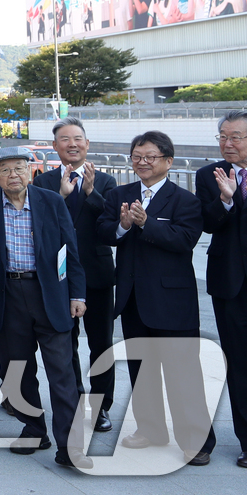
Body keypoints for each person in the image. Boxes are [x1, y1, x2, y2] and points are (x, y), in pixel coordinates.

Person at [98, 130, 216, 466]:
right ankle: (150, 429)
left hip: (171, 302)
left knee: (183, 373)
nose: (143, 162)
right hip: (133, 298)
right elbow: (103, 231)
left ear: (168, 160)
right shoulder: (120, 193)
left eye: (150, 157)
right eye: (137, 156)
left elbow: (184, 240)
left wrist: (147, 223)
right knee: (141, 369)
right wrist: (121, 226)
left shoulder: (186, 200)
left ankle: (197, 441)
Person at [0, 147, 89, 468]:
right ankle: (34, 428)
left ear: (30, 172)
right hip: (8, 293)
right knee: (17, 370)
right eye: (5, 170)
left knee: (61, 373)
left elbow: (70, 250)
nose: (13, 175)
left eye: (19, 168)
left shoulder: (50, 202)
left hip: (49, 292)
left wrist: (77, 294)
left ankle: (70, 445)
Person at [29, 119, 116, 434]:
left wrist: (91, 193)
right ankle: (76, 402)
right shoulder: (42, 183)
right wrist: (62, 197)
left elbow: (111, 224)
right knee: (65, 343)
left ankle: (102, 406)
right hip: (59, 277)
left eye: (77, 138)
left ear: (87, 144)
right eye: (64, 139)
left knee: (101, 344)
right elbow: (38, 226)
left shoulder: (106, 180)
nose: (72, 144)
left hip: (97, 274)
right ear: (55, 147)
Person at [199, 110, 247, 469]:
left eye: (236, 137)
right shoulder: (209, 175)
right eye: (223, 137)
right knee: (240, 363)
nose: (228, 144)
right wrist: (227, 200)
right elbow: (210, 224)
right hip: (232, 283)